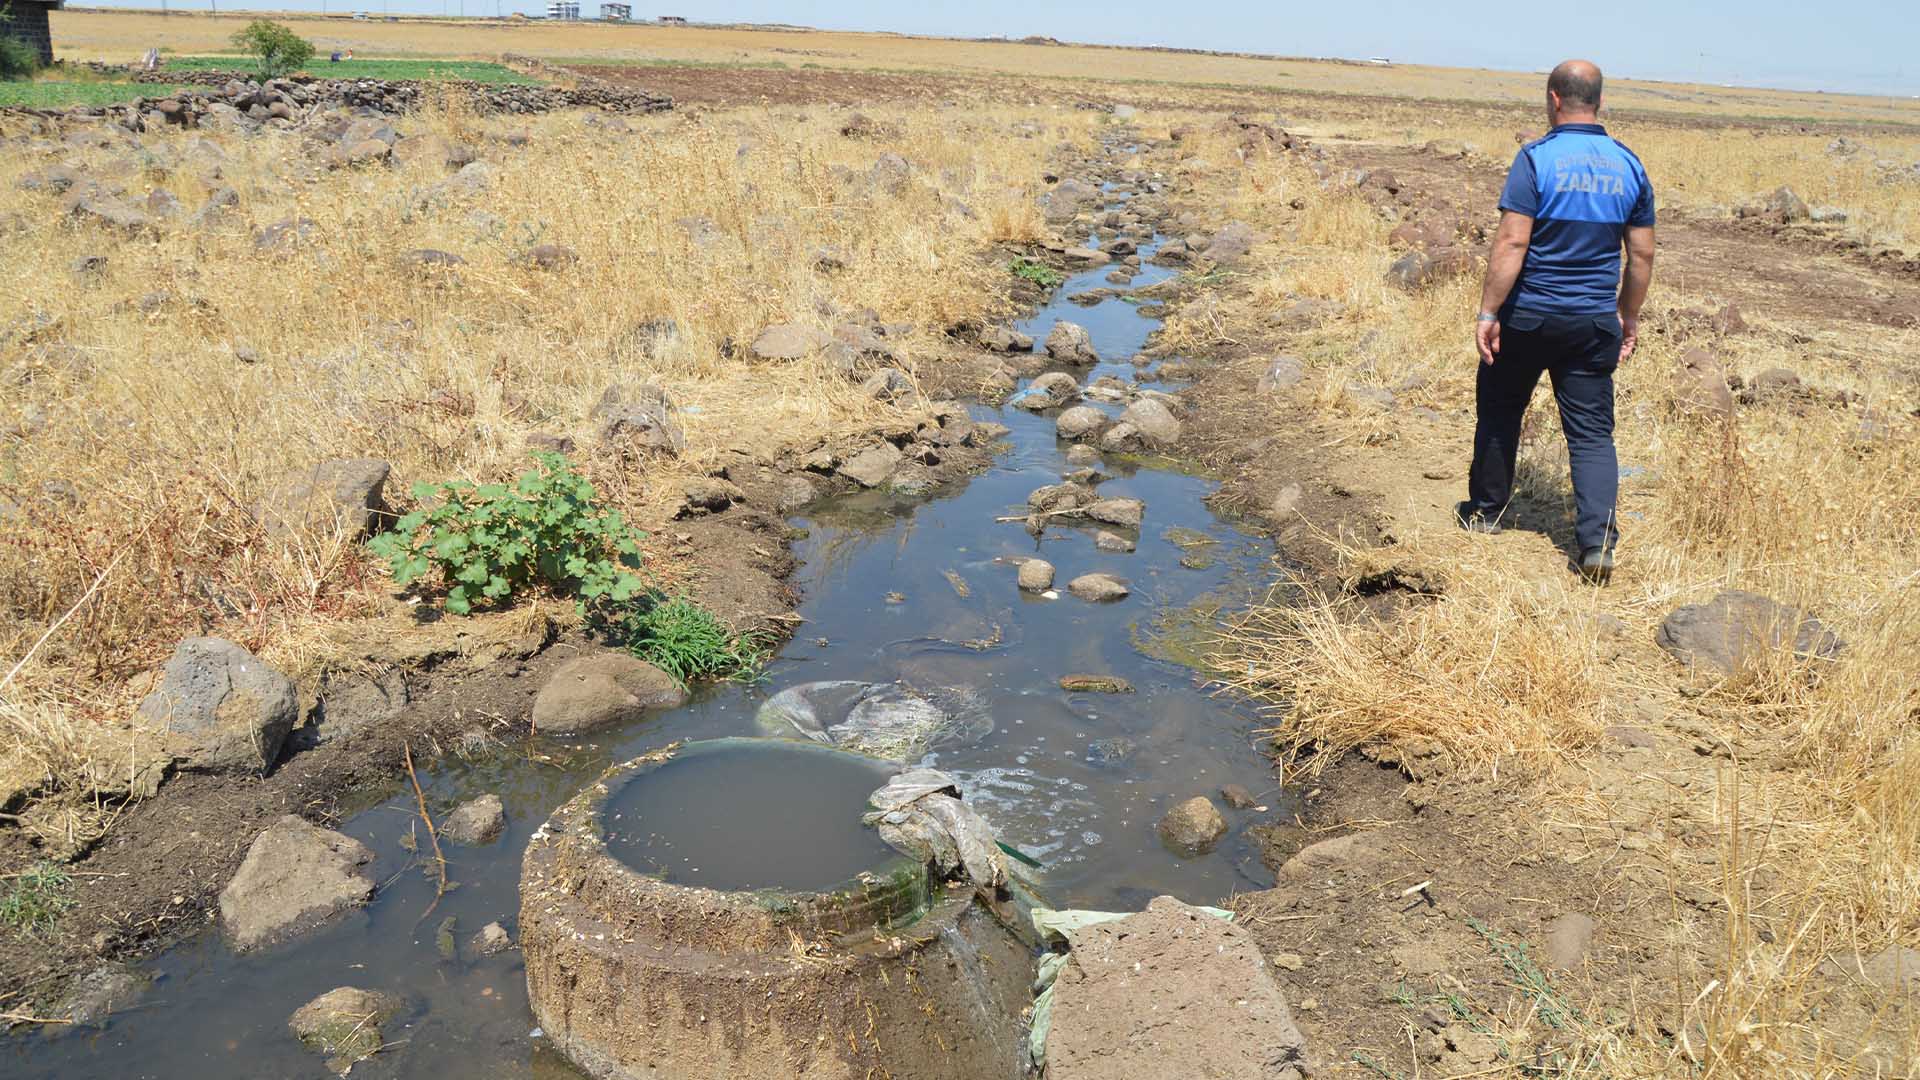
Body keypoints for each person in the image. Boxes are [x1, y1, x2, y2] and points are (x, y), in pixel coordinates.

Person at [1461, 59, 1655, 585]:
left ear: (1553, 99)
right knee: (1592, 435)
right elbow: (1641, 257)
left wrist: (1488, 312)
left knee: (1501, 409)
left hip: (1528, 317)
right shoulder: (1629, 165)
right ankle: (1596, 543)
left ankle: (1486, 512)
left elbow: (1512, 241)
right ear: (1599, 101)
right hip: (1592, 322)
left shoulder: (1536, 159)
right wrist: (1627, 317)